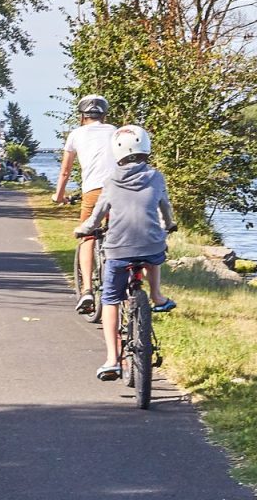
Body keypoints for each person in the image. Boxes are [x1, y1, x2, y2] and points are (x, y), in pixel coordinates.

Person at [74, 124, 176, 381]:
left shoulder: (110, 182)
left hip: (119, 249)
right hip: (152, 246)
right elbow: (165, 207)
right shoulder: (156, 177)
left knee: (109, 299)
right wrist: (169, 223)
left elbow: (96, 217)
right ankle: (156, 295)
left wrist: (84, 229)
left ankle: (112, 360)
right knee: (155, 252)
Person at [53, 95, 117, 314]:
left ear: (82, 116)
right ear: (104, 115)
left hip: (94, 191)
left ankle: (88, 290)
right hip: (120, 190)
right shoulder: (115, 131)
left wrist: (58, 196)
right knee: (120, 234)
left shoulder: (76, 135)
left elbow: (65, 171)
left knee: (87, 237)